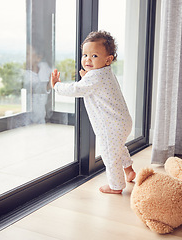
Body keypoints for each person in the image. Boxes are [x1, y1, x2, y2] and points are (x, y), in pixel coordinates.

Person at [50, 30, 136, 194]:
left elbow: (77, 89)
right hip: (123, 122)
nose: (88, 59)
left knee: (110, 154)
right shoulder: (105, 72)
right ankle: (128, 171)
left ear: (108, 59)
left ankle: (116, 186)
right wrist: (87, 77)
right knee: (118, 148)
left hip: (110, 126)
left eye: (94, 56)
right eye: (85, 55)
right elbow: (94, 86)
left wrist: (57, 86)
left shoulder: (94, 77)